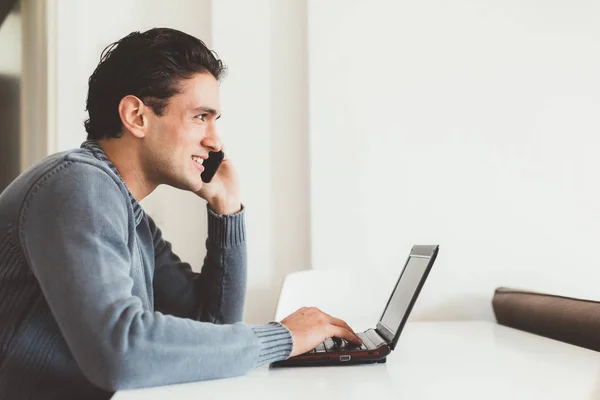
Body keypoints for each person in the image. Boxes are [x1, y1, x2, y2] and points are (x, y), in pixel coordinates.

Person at [0, 28, 361, 399]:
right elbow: (120, 353)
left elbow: (213, 324)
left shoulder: (129, 216)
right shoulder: (77, 184)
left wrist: (227, 209)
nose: (215, 140)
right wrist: (284, 337)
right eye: (200, 116)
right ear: (136, 116)